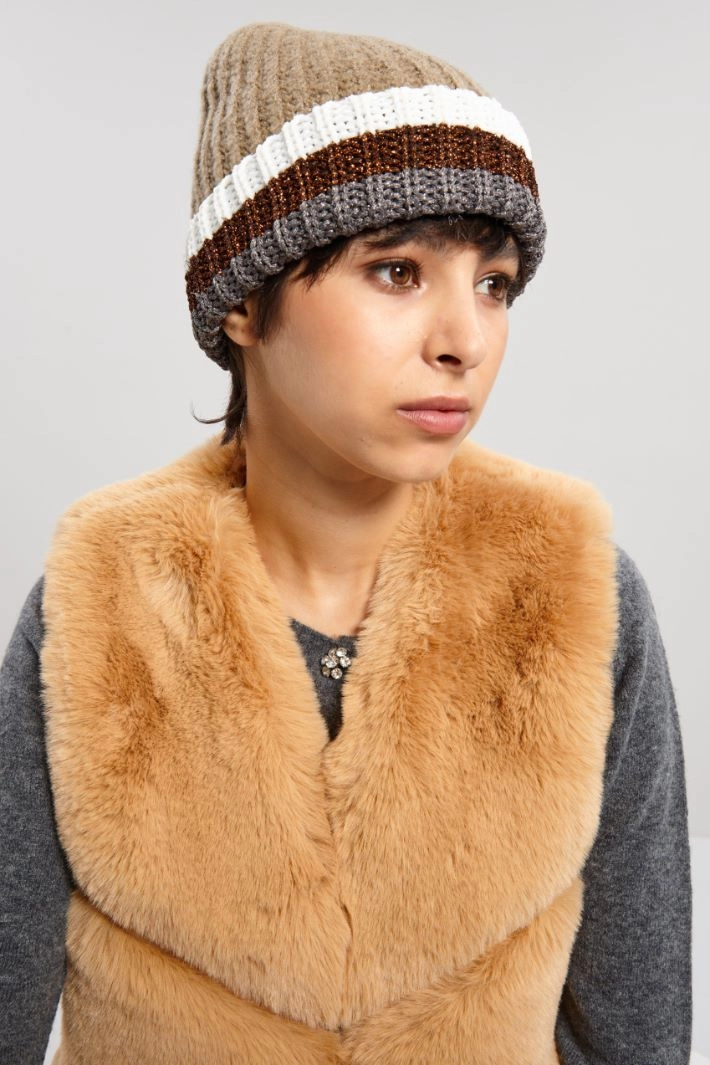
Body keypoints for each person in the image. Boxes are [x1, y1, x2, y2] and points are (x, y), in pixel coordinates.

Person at [0, 21, 692, 1065]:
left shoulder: (573, 590)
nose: (464, 339)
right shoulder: (102, 596)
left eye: (495, 283)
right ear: (244, 301)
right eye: (397, 271)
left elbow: (636, 1034)